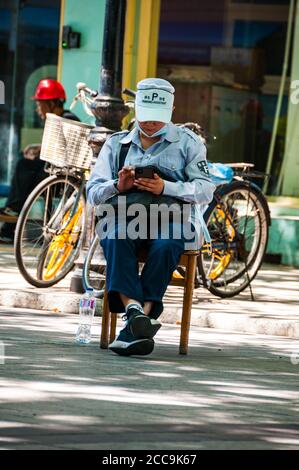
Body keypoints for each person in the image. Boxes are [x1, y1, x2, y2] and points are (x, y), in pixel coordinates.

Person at [86, 78, 216, 357]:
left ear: (170, 112)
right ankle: (139, 316)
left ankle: (133, 323)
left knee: (168, 244)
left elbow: (206, 189)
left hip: (172, 218)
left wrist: (165, 187)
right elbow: (92, 193)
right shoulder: (116, 145)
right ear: (137, 112)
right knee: (115, 235)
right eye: (145, 118)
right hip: (124, 215)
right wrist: (117, 186)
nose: (150, 125)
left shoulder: (188, 144)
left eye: (157, 120)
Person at [0, 78, 80, 243]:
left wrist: (39, 151)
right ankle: (9, 225)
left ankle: (12, 215)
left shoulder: (66, 119)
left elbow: (62, 153)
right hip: (56, 174)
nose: (37, 109)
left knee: (25, 165)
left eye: (39, 104)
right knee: (28, 166)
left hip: (65, 179)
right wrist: (38, 148)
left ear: (52, 103)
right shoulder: (59, 119)